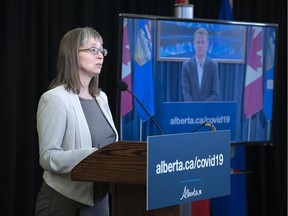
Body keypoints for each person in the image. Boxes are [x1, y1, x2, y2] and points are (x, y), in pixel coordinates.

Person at [34, 27, 118, 216]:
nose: (100, 56)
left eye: (102, 50)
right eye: (92, 50)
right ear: (72, 54)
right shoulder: (55, 99)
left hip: (101, 202)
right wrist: (91, 155)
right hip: (65, 201)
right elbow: (48, 157)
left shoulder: (101, 98)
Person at [181, 27, 220, 101]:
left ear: (207, 44)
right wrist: (195, 109)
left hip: (208, 110)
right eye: (198, 42)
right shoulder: (186, 66)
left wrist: (202, 108)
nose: (200, 45)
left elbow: (215, 93)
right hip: (191, 110)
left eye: (202, 42)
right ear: (194, 44)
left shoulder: (213, 66)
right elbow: (186, 93)